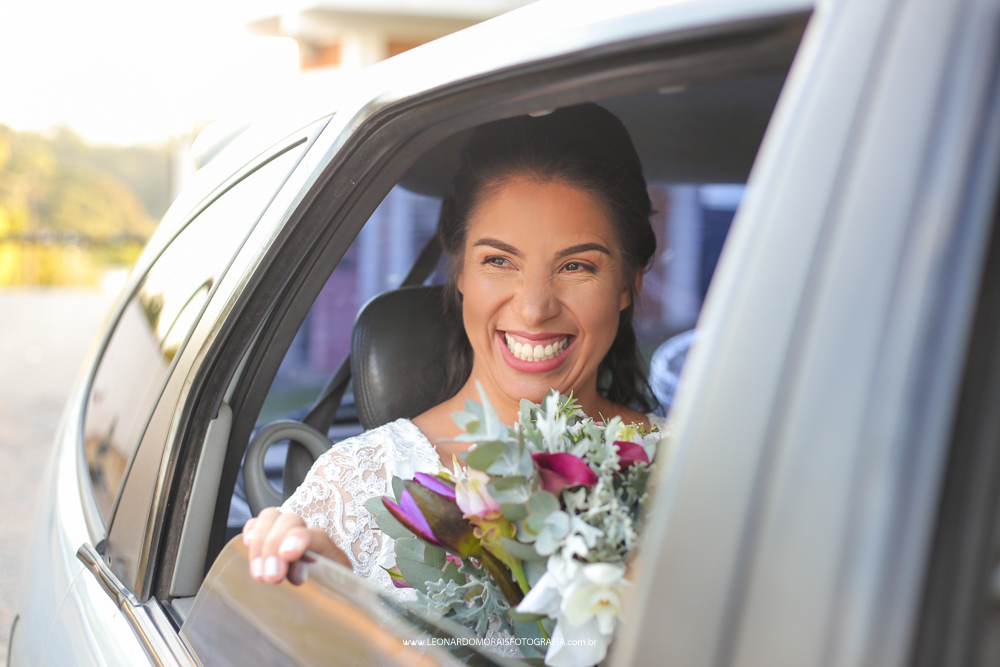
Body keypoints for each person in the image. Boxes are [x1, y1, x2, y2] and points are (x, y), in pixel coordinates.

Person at [242, 103, 666, 589]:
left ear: (628, 284)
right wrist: (331, 602)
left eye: (576, 267)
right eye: (499, 261)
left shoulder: (695, 472)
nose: (534, 308)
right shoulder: (352, 490)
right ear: (460, 269)